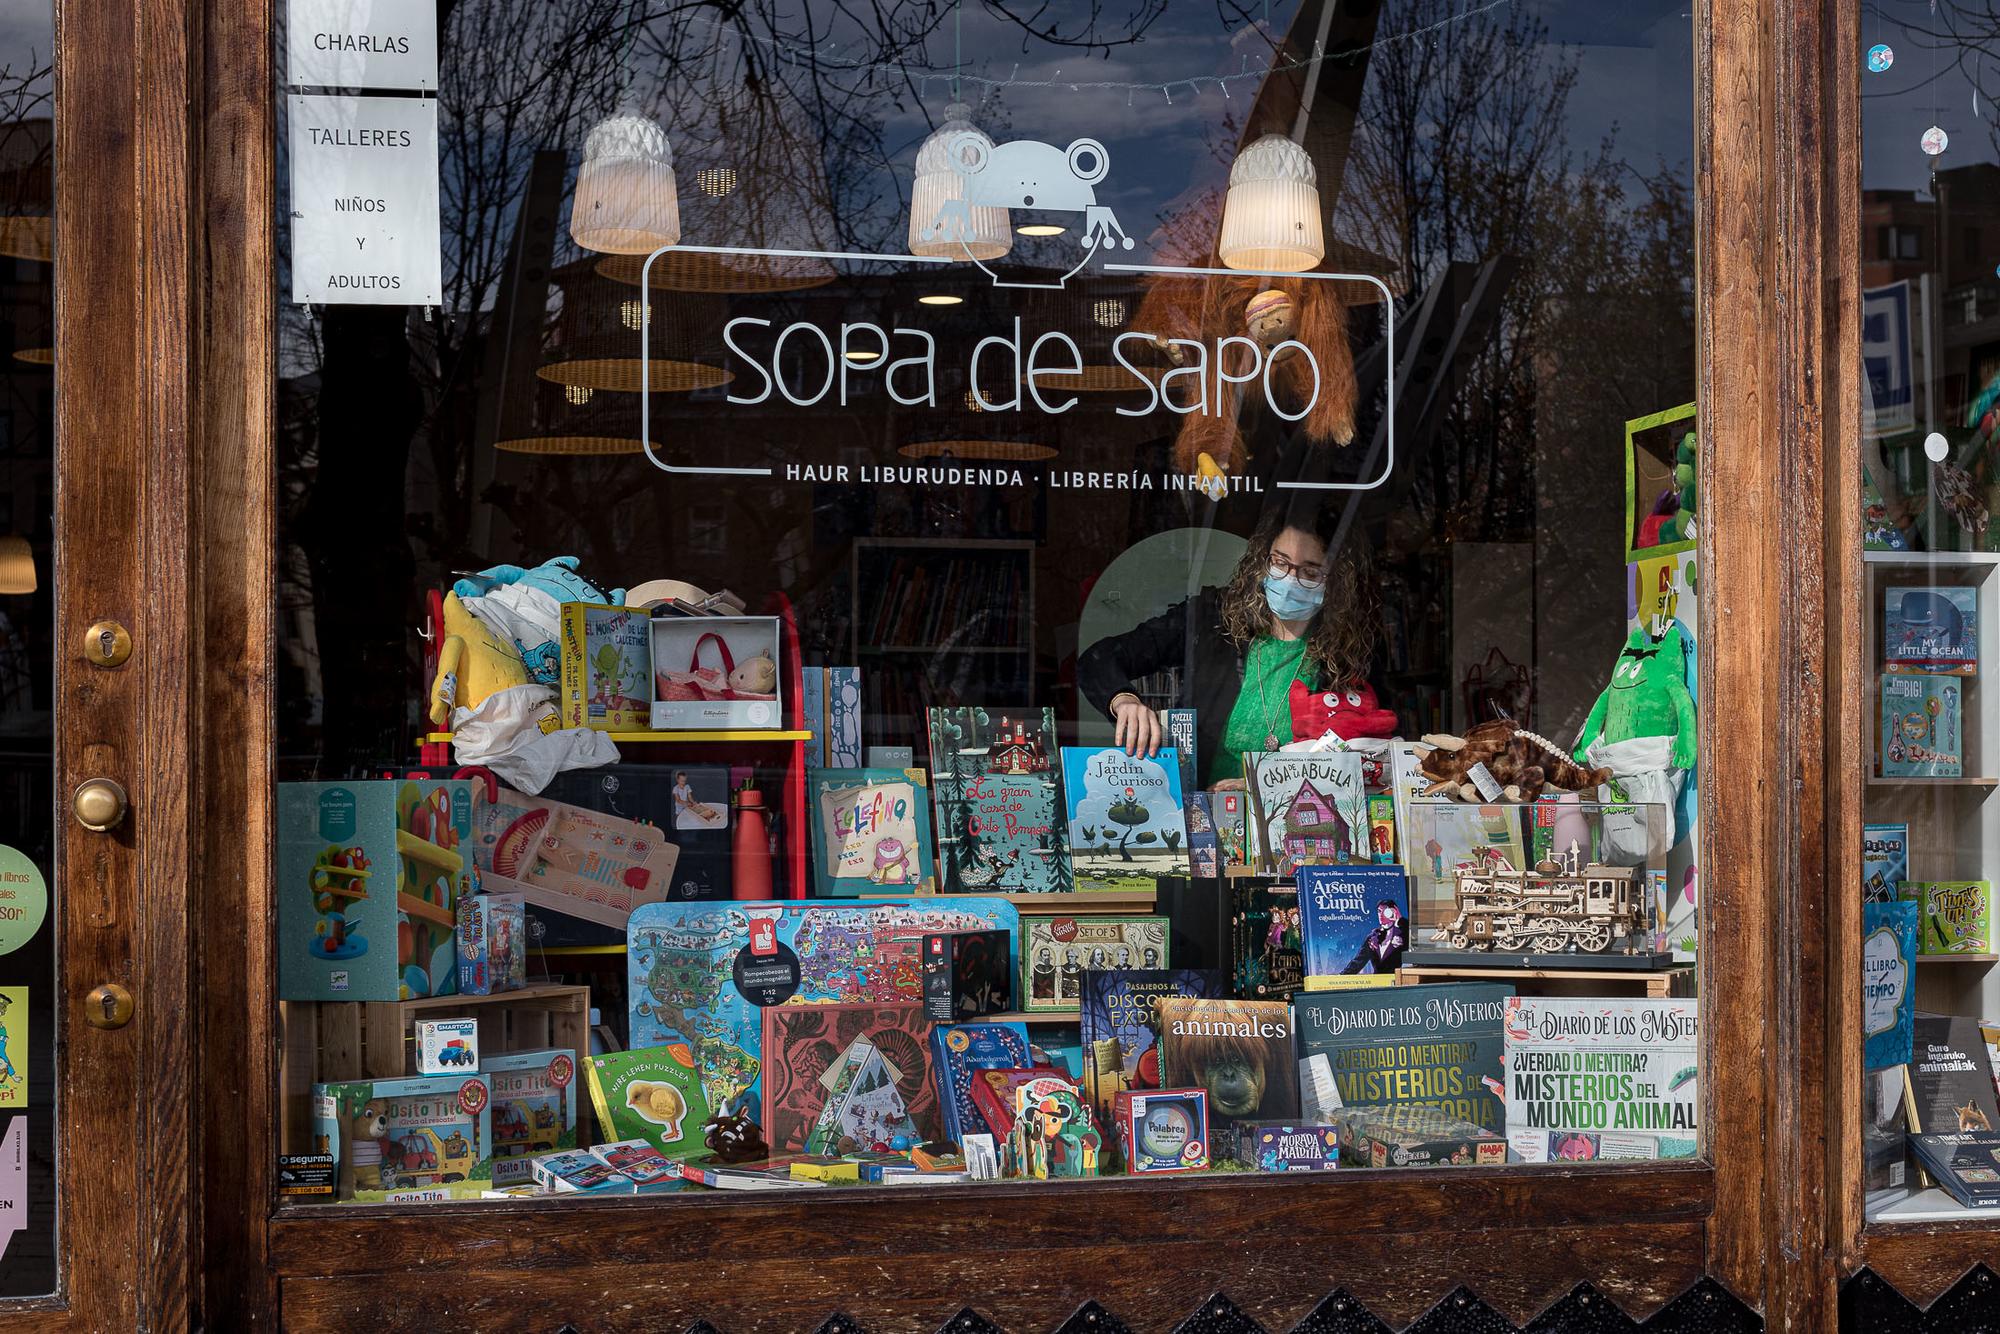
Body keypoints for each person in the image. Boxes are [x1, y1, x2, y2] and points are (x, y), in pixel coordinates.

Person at [1078, 505, 1380, 786]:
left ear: (1336, 580)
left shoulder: (1346, 652)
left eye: (1310, 572)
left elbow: (1356, 762)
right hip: (1204, 823)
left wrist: (1257, 787)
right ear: (1263, 561)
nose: (1290, 580)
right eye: (1280, 563)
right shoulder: (1212, 620)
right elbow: (1098, 659)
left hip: (1296, 827)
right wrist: (1124, 700)